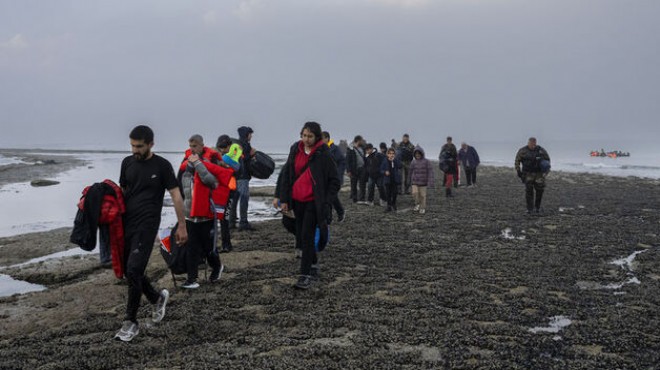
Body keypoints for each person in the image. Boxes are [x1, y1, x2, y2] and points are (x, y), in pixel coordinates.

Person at [115, 125, 188, 342]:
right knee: (131, 271)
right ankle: (156, 298)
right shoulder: (127, 163)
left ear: (150, 144)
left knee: (134, 268)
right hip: (127, 224)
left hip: (147, 226)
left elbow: (176, 195)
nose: (134, 150)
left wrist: (182, 225)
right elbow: (123, 192)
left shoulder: (162, 166)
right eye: (132, 145)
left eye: (139, 146)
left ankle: (130, 322)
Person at [279, 121, 340, 290]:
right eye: (304, 135)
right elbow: (287, 174)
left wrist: (327, 200)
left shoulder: (323, 154)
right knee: (298, 232)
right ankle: (313, 262)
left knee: (306, 236)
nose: (306, 139)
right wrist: (284, 199)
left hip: (314, 202)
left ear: (317, 137)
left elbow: (335, 181)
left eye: (310, 136)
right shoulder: (295, 149)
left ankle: (304, 276)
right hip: (297, 201)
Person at [178, 135, 229, 289]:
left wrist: (199, 165)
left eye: (195, 146)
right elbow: (181, 185)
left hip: (207, 212)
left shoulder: (210, 162)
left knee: (208, 247)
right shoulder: (185, 163)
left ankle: (217, 266)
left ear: (201, 145)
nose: (192, 149)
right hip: (189, 212)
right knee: (191, 246)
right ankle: (192, 279)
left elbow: (212, 183)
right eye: (190, 146)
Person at [515, 137, 551, 214]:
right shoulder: (523, 151)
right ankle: (529, 209)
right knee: (529, 191)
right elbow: (517, 161)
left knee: (540, 191)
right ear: (528, 143)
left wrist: (546, 172)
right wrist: (518, 171)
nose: (533, 145)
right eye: (531, 143)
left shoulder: (541, 150)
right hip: (528, 174)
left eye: (534, 143)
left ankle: (537, 207)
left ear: (536, 143)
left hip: (539, 174)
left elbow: (547, 161)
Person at [230, 126, 257, 231]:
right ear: (246, 134)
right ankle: (243, 222)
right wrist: (252, 154)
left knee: (234, 200)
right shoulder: (245, 145)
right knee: (244, 199)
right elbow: (244, 160)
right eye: (250, 134)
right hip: (243, 176)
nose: (251, 136)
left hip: (233, 176)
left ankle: (231, 222)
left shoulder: (235, 144)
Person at [215, 135, 236, 253]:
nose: (222, 150)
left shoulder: (234, 157)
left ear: (229, 146)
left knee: (225, 219)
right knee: (220, 219)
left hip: (230, 193)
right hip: (220, 192)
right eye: (220, 148)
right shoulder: (220, 157)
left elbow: (238, 171)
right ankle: (224, 244)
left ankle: (226, 245)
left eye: (224, 147)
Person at [322, 131, 346, 222]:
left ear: (327, 138)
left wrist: (338, 174)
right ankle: (331, 216)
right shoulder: (321, 149)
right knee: (329, 197)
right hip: (325, 178)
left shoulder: (335, 149)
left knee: (331, 196)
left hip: (335, 178)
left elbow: (342, 162)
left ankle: (338, 213)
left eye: (322, 138)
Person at [409, 146, 434, 214]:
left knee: (422, 195)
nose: (417, 155)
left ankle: (422, 207)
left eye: (418, 153)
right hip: (415, 181)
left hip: (423, 182)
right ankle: (417, 204)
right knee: (415, 193)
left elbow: (430, 172)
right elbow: (410, 172)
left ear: (421, 154)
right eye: (416, 154)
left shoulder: (427, 162)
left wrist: (430, 182)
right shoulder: (413, 162)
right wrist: (409, 180)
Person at [346, 135, 367, 204]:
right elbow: (347, 160)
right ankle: (354, 199)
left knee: (362, 184)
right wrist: (348, 170)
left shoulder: (363, 148)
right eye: (361, 140)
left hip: (362, 169)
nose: (362, 141)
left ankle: (362, 198)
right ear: (358, 140)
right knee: (353, 185)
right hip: (354, 169)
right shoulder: (350, 148)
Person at [381, 148, 402, 212]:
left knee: (395, 192)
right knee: (388, 193)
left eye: (393, 153)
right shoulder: (385, 161)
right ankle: (388, 206)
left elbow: (400, 166)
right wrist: (385, 172)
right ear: (387, 154)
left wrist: (394, 160)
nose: (391, 155)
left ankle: (393, 203)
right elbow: (381, 170)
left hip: (395, 179)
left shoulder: (396, 160)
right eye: (390, 153)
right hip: (387, 180)